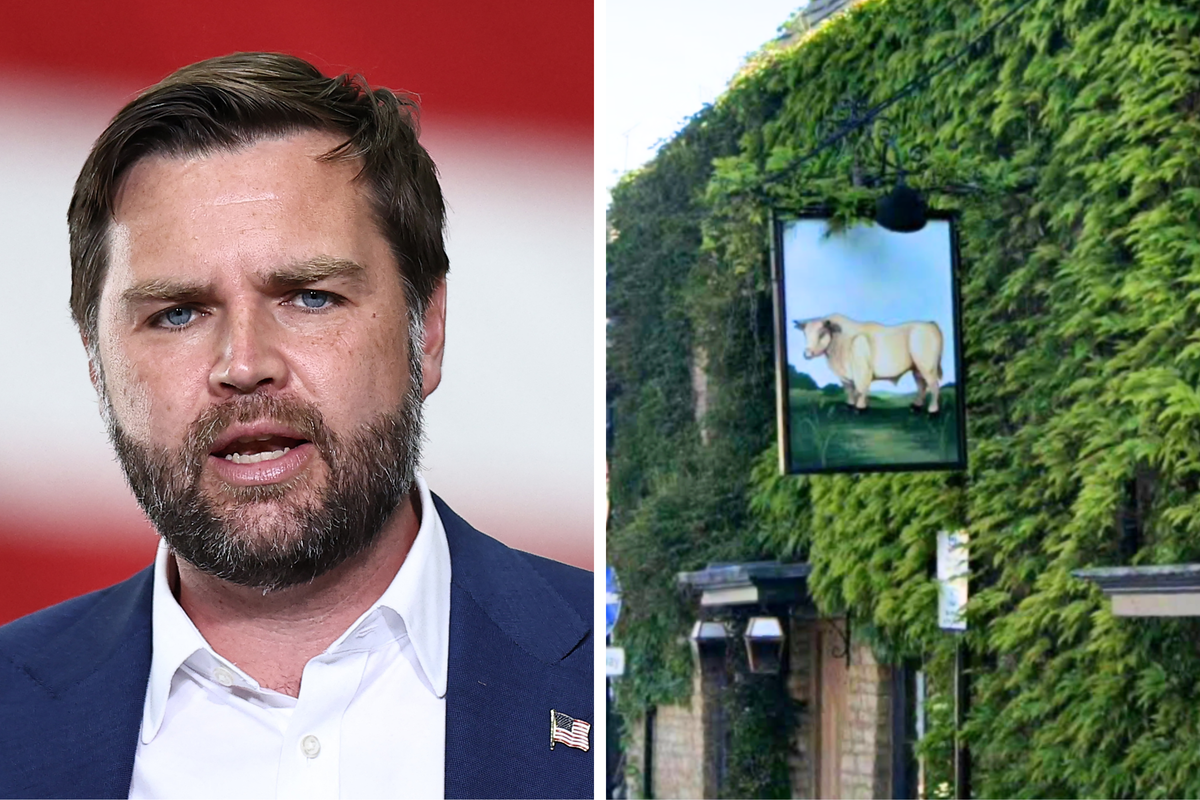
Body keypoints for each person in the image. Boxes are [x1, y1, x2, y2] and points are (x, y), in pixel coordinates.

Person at [0, 53, 593, 800]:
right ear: (97, 362)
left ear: (428, 331)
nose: (244, 364)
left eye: (309, 297)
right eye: (177, 312)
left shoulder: (606, 664)